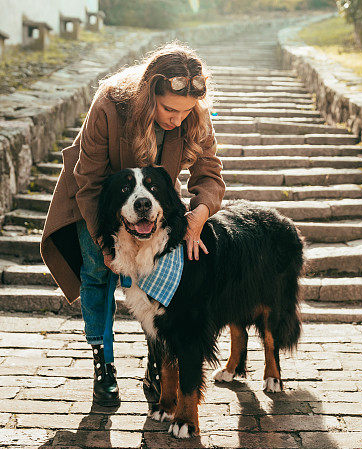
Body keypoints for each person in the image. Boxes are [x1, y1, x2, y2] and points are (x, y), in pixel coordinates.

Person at [39, 42, 225, 407]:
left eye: (185, 112)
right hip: (96, 200)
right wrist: (106, 246)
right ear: (149, 92)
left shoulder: (192, 116)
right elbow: (89, 180)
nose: (177, 119)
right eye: (170, 109)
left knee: (157, 282)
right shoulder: (111, 102)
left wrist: (198, 215)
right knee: (97, 273)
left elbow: (209, 172)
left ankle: (158, 360)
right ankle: (103, 363)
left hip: (150, 206)